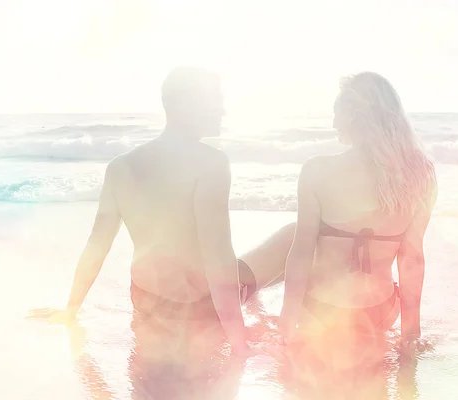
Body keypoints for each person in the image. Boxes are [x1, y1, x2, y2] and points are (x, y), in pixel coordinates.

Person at [28, 66, 270, 355]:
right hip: (197, 308)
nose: (223, 111)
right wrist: (239, 341)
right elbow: (217, 259)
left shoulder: (120, 167)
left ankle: (250, 299)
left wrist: (71, 309)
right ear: (187, 105)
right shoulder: (211, 163)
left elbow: (97, 246)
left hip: (147, 302)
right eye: (215, 100)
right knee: (293, 237)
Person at [240, 72, 437, 353]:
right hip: (380, 313)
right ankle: (248, 289)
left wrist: (287, 324)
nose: (333, 123)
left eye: (337, 113)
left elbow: (301, 253)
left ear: (355, 115)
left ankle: (237, 287)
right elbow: (412, 259)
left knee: (293, 235)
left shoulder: (317, 169)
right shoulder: (421, 174)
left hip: (322, 311)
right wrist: (410, 334)